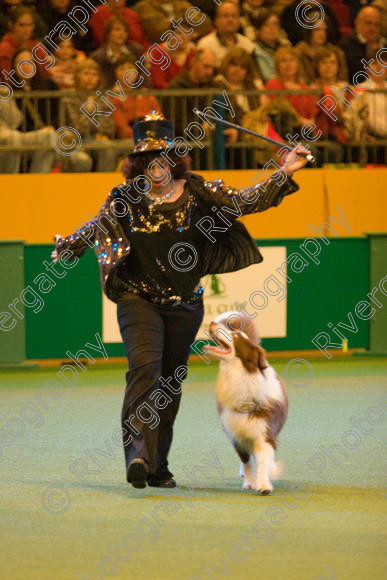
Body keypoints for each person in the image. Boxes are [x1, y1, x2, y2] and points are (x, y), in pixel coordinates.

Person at [51, 111, 310, 489]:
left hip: (185, 304)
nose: (156, 167)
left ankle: (158, 466)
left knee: (170, 384)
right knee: (144, 369)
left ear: (175, 160)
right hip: (137, 299)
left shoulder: (199, 192)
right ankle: (138, 454)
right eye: (147, 160)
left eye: (163, 159)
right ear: (137, 165)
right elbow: (97, 225)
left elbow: (246, 200)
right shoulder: (124, 198)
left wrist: (285, 170)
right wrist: (69, 245)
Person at [62, 58, 117, 172]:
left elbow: (109, 127)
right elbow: (76, 128)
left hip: (97, 142)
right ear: (77, 76)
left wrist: (101, 133)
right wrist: (89, 111)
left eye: (94, 74)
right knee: (82, 160)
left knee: (108, 150)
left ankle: (104, 188)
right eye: (86, 74)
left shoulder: (102, 99)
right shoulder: (69, 99)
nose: (90, 78)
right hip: (75, 143)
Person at [90, 16, 143, 89]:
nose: (122, 33)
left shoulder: (136, 50)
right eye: (117, 30)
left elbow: (143, 76)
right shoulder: (98, 57)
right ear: (108, 33)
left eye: (125, 31)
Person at [197, 1, 254, 66]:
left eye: (234, 16)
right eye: (225, 16)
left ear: (239, 21)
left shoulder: (248, 46)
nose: (230, 19)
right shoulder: (205, 45)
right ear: (216, 20)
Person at [295, 16, 348, 85]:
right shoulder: (298, 52)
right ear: (309, 31)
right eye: (317, 30)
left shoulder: (336, 52)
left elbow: (343, 78)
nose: (322, 34)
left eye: (325, 30)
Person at [339, 6, 385, 83]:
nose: (372, 28)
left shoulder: (384, 43)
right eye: (368, 23)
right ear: (357, 23)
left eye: (376, 25)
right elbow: (357, 72)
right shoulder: (347, 44)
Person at [252, 9, 289, 83]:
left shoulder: (286, 48)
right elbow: (265, 77)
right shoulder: (253, 51)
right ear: (259, 29)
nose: (272, 29)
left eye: (275, 24)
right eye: (266, 25)